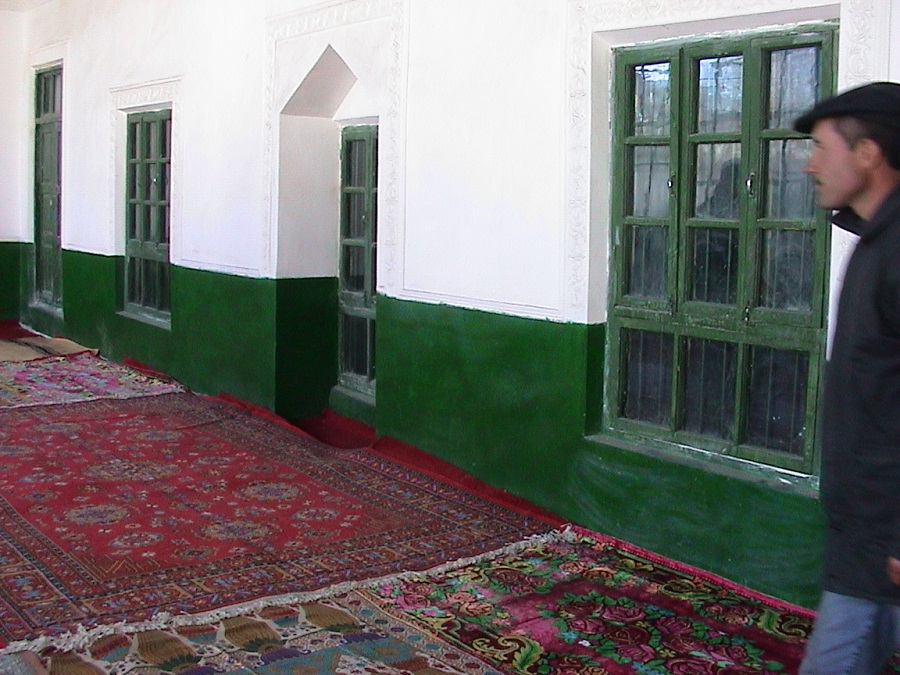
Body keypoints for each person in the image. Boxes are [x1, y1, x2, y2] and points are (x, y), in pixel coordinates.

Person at [794, 81, 900, 674]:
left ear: (867, 153)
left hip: (883, 537)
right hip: (868, 530)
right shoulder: (875, 237)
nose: (810, 163)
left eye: (820, 146)